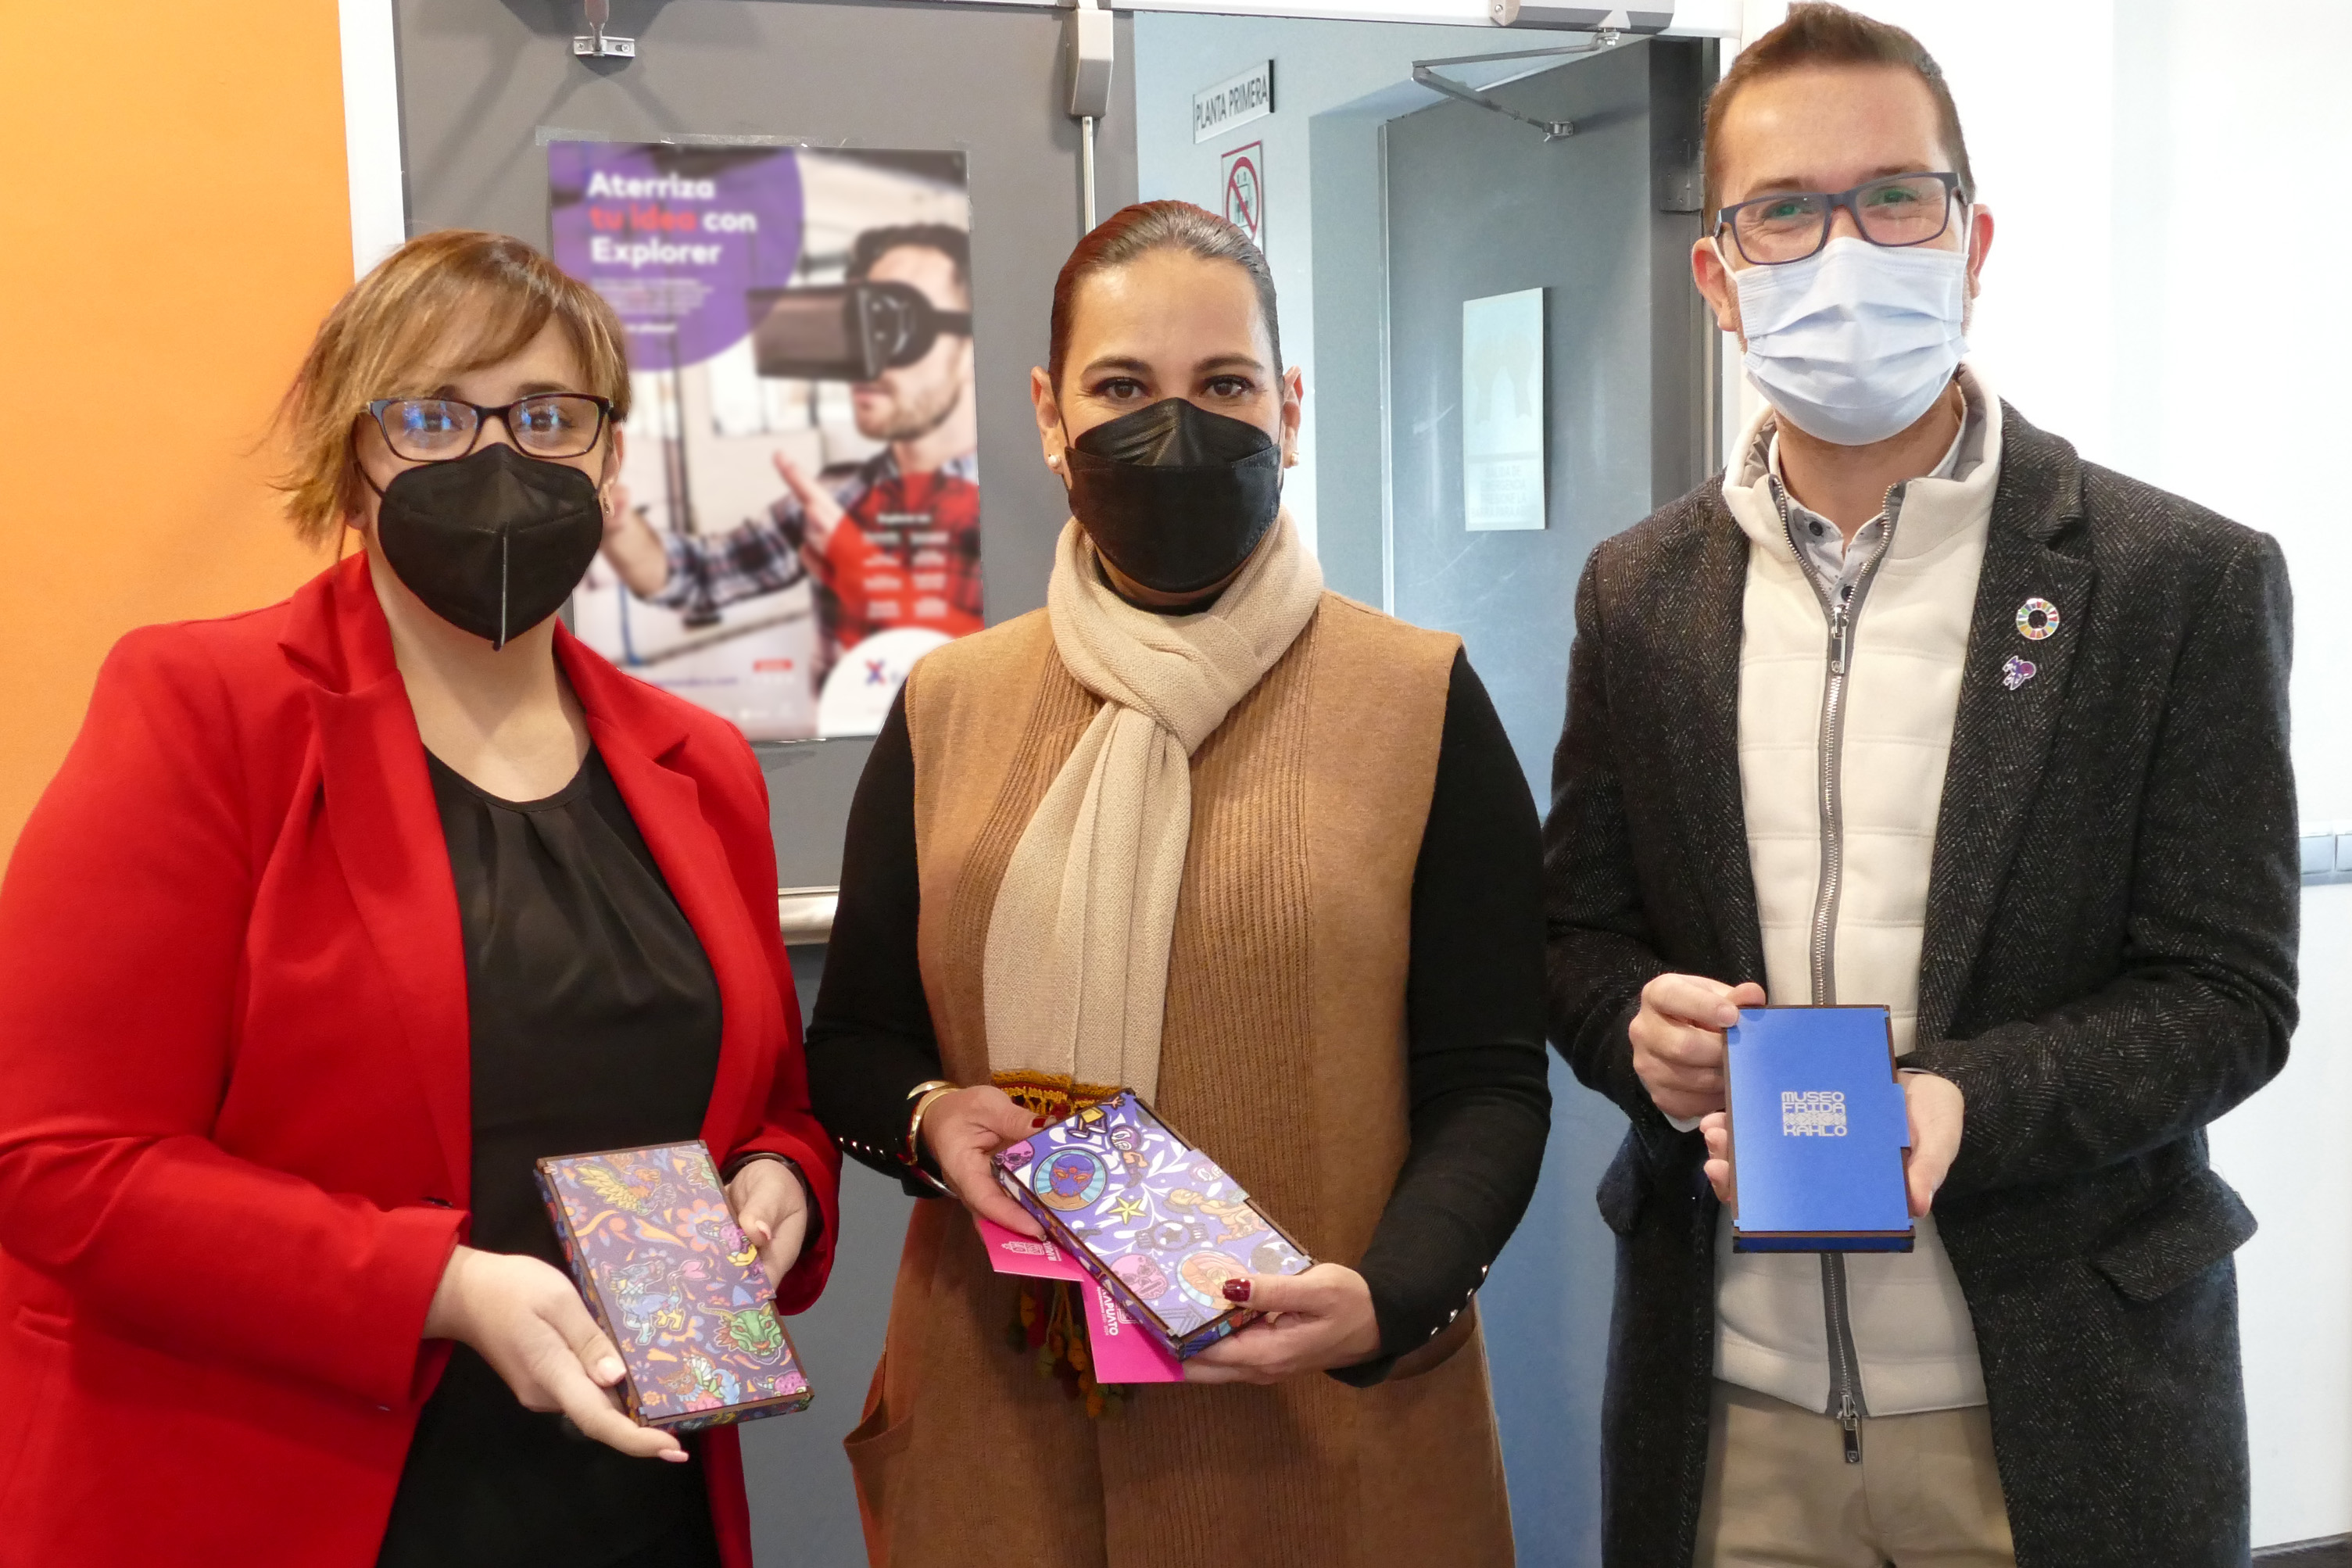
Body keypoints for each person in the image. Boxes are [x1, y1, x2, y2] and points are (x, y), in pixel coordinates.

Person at [1542, 8, 2298, 1566]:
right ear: (1717, 278)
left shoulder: (2175, 581)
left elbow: (2227, 995)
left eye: (1892, 196)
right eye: (1782, 211)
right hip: (1728, 1411)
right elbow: (1576, 935)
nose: (1842, 249)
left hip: (2056, 1407)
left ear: (1970, 240)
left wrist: (1962, 1100)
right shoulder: (1636, 594)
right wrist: (1631, 1026)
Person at [0, 231, 841, 1568]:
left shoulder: (700, 764)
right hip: (287, 1490)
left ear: (609, 458)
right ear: (354, 456)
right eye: (436, 417)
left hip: (630, 1487)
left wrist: (780, 1177)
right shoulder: (206, 710)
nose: (499, 459)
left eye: (548, 416)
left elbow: (770, 1105)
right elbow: (56, 1159)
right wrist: (434, 1285)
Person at [802, 200, 1551, 1566]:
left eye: (1223, 386)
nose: (1175, 429)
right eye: (1120, 388)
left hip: (1325, 1438)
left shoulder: (1417, 699)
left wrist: (1387, 1298)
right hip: (1004, 1438)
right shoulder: (949, 707)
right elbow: (855, 1041)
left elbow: (1490, 1081)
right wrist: (928, 1119)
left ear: (1288, 407)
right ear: (1048, 413)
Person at [600, 224, 983, 674]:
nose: (861, 357)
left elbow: (1018, 670)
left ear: (970, 348)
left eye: (895, 325)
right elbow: (702, 574)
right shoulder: (836, 497)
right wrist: (617, 523)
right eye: (854, 324)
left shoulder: (1025, 512)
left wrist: (867, 572)